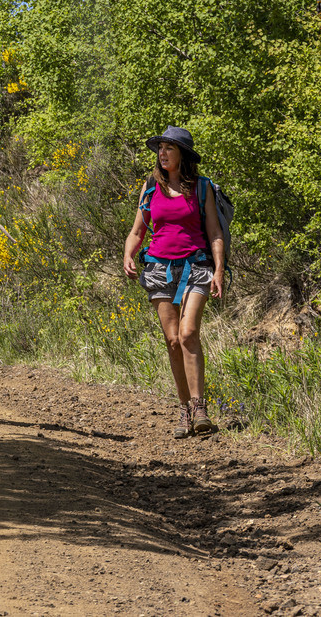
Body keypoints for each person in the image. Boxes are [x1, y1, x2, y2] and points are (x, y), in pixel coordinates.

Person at [122, 125, 226, 438]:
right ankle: (184, 409)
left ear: (183, 155)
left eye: (169, 148)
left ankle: (199, 406)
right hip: (159, 268)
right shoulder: (151, 187)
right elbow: (138, 230)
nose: (162, 153)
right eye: (160, 148)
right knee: (172, 340)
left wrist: (219, 270)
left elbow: (215, 232)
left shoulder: (202, 188)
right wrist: (129, 254)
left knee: (188, 332)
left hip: (196, 266)